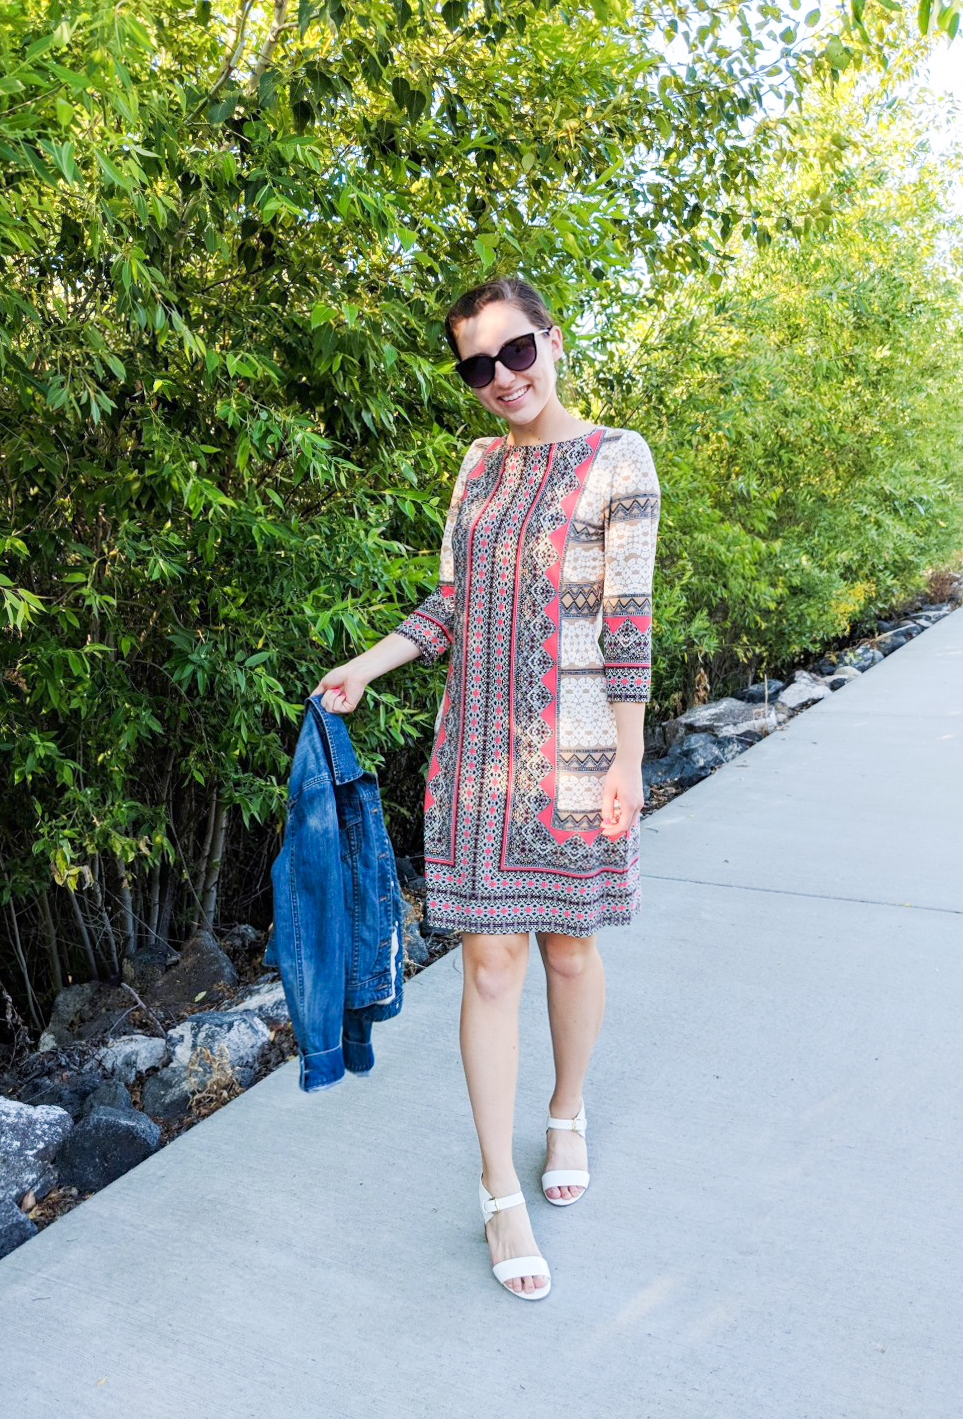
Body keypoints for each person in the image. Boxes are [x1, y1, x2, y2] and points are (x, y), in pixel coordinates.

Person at [309, 275, 661, 1299]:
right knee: (491, 966)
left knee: (569, 947)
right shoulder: (474, 467)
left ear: (550, 341)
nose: (500, 378)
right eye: (477, 365)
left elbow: (628, 622)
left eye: (515, 352)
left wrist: (632, 762)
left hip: (582, 749)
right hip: (475, 753)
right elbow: (453, 601)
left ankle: (565, 1107)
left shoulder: (616, 457)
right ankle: (498, 1185)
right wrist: (368, 665)